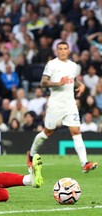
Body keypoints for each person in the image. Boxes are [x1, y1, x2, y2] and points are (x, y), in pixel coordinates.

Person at [27, 42, 98, 173]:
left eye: (65, 49)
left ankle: (85, 163)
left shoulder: (73, 66)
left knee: (76, 132)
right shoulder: (52, 64)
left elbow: (73, 80)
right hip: (55, 104)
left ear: (69, 51)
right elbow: (43, 83)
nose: (63, 51)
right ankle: (31, 154)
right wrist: (57, 83)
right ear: (57, 51)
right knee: (47, 133)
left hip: (70, 104)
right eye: (60, 49)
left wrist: (80, 85)